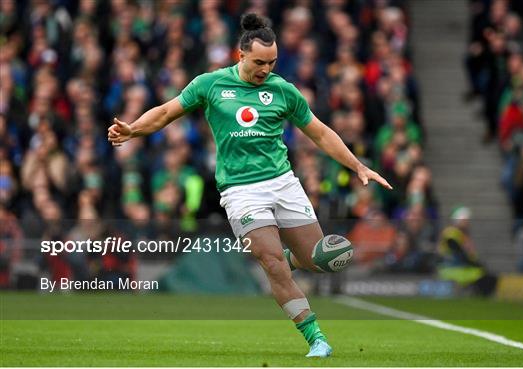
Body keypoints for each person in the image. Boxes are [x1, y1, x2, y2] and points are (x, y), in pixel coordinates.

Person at [108, 13, 392, 358]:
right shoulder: (210, 85)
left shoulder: (284, 90)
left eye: (271, 62)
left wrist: (358, 165)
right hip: (241, 191)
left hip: (283, 184)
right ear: (240, 55)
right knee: (271, 262)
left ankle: (292, 257)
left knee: (318, 260)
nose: (265, 69)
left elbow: (319, 132)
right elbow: (166, 112)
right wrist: (133, 129)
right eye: (259, 62)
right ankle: (316, 337)